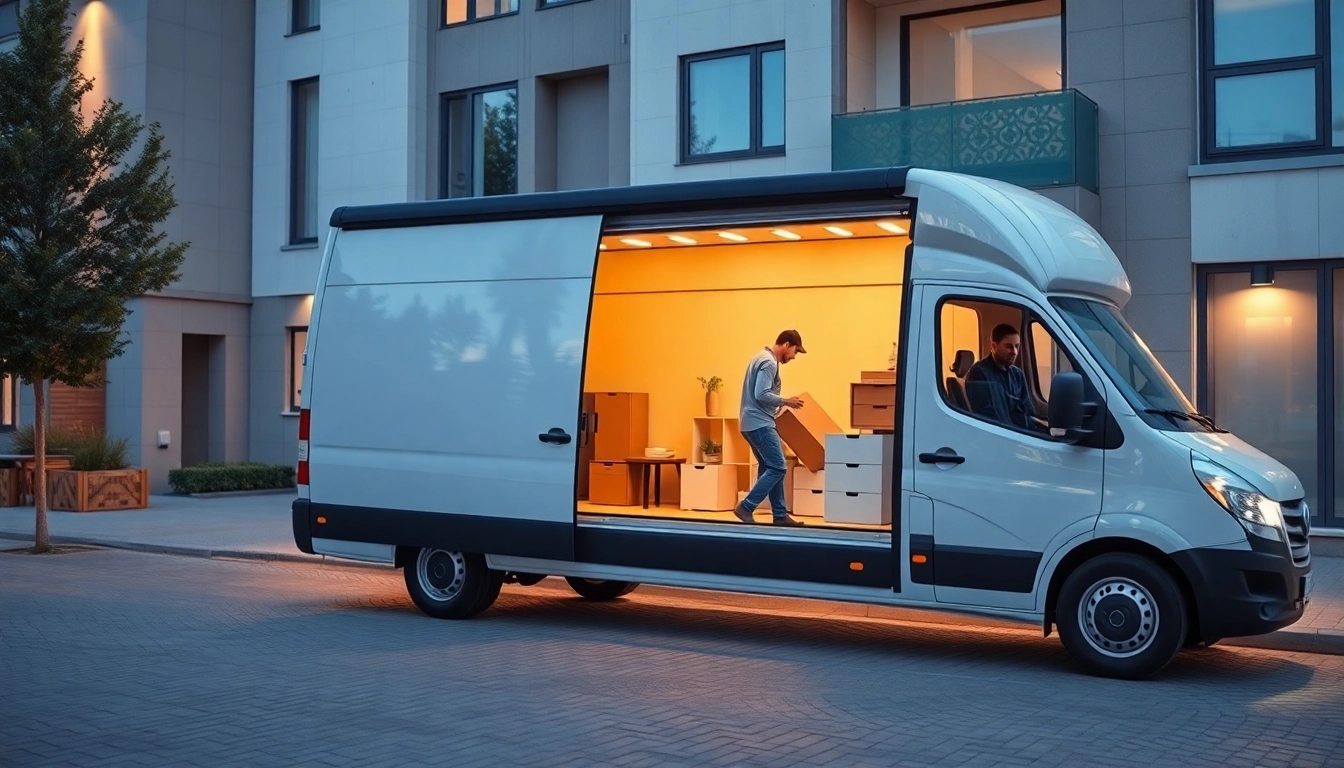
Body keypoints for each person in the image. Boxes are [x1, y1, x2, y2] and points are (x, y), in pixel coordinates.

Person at [734, 330, 806, 526]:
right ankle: (746, 506)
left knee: (769, 466)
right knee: (778, 466)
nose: (794, 356)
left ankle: (780, 515)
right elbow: (761, 393)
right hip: (760, 423)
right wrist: (786, 401)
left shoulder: (759, 357)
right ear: (786, 345)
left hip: (750, 422)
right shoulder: (768, 362)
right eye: (795, 351)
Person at [964, 323, 1046, 433]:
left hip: (1021, 431)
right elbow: (988, 417)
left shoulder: (1017, 374)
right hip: (1003, 435)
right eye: (1009, 347)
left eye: (1017, 346)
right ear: (994, 346)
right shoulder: (979, 373)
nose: (1014, 352)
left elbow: (1028, 410)